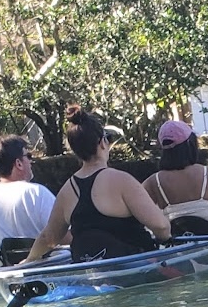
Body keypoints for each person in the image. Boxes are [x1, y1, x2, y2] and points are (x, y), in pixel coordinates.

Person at [26, 106, 172, 264]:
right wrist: (166, 239)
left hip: (90, 275)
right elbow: (161, 226)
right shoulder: (122, 180)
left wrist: (29, 260)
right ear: (102, 142)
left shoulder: (66, 191)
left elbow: (49, 237)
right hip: (137, 269)